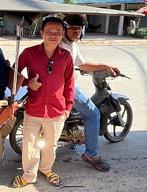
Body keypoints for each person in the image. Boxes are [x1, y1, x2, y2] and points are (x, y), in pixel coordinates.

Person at [11, 17, 74, 188]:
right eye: (49, 32)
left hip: (57, 110)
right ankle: (29, 174)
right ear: (41, 33)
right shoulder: (29, 53)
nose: (53, 35)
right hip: (33, 108)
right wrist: (27, 83)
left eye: (58, 33)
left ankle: (46, 169)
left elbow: (69, 83)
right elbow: (14, 72)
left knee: (50, 145)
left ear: (62, 35)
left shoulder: (66, 57)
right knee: (29, 144)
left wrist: (68, 107)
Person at [60, 14, 117, 172]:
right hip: (66, 87)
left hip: (66, 85)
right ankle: (92, 154)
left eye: (79, 28)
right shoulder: (61, 45)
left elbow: (83, 64)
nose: (76, 31)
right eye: (72, 28)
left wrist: (105, 66)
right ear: (64, 29)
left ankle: (73, 135)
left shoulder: (72, 45)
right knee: (93, 114)